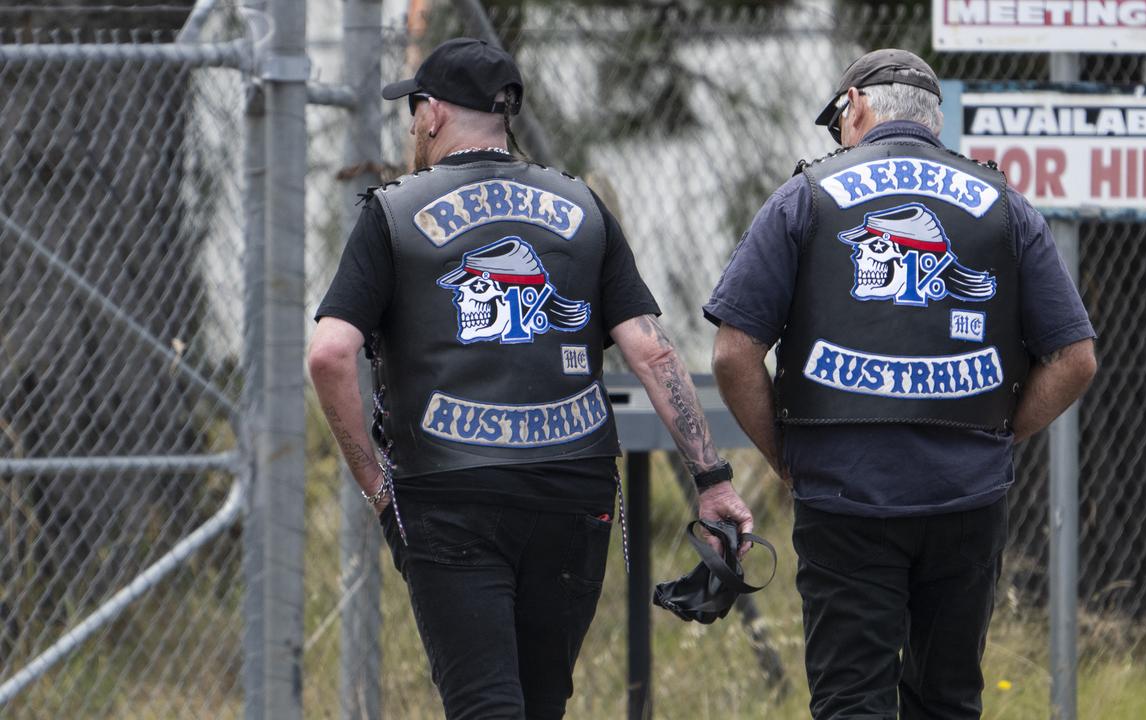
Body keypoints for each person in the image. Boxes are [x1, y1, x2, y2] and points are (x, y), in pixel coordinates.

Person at [308, 37, 753, 720]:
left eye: (414, 112)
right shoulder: (582, 205)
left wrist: (376, 488)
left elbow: (330, 354)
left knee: (484, 703)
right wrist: (712, 479)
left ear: (431, 115)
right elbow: (653, 351)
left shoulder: (392, 211)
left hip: (445, 489)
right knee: (542, 702)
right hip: (571, 489)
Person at [705, 49, 1097, 719]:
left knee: (851, 700)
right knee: (946, 700)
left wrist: (783, 455)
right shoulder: (1005, 205)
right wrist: (1000, 432)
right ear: (934, 121)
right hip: (967, 497)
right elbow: (1075, 358)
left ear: (855, 105)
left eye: (838, 121)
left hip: (844, 495)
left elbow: (733, 354)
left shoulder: (804, 196)